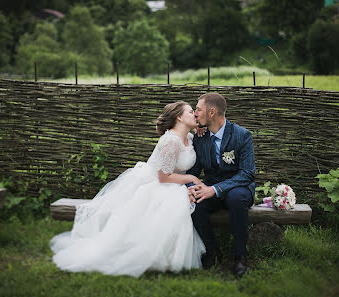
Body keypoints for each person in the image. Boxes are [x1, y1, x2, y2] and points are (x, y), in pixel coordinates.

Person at [50, 101, 206, 277]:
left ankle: (166, 257)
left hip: (174, 183)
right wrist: (191, 178)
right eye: (191, 111)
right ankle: (149, 255)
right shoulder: (171, 141)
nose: (195, 114)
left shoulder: (188, 137)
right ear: (179, 117)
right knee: (172, 209)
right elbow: (163, 176)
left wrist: (196, 129)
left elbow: (190, 139)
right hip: (157, 184)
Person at [187, 92, 255, 277]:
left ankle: (240, 256)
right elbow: (193, 173)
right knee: (195, 203)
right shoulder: (200, 138)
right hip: (211, 186)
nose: (195, 113)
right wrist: (191, 189)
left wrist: (216, 189)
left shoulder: (242, 135)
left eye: (198, 109)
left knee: (236, 198)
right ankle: (212, 250)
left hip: (237, 188)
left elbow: (247, 173)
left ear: (212, 112)